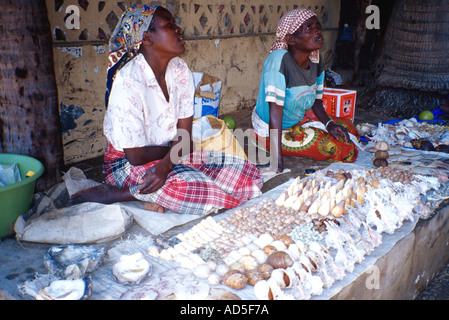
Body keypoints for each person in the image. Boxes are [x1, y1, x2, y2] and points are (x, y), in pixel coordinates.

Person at [71, 5, 262, 215]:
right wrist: (177, 152)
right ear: (146, 38)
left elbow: (185, 137)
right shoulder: (129, 82)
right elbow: (136, 156)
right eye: (169, 25)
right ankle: (118, 192)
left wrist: (166, 164)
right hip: (125, 163)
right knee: (190, 186)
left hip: (169, 153)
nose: (178, 29)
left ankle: (135, 192)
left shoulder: (180, 69)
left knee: (245, 171)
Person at [251, 9, 360, 173]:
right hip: (271, 130)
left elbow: (316, 102)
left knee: (349, 129)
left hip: (298, 118)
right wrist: (276, 161)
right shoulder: (279, 61)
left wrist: (329, 124)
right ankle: (270, 146)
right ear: (291, 39)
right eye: (309, 27)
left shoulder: (316, 59)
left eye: (317, 26)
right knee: (340, 149)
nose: (317, 30)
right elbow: (275, 112)